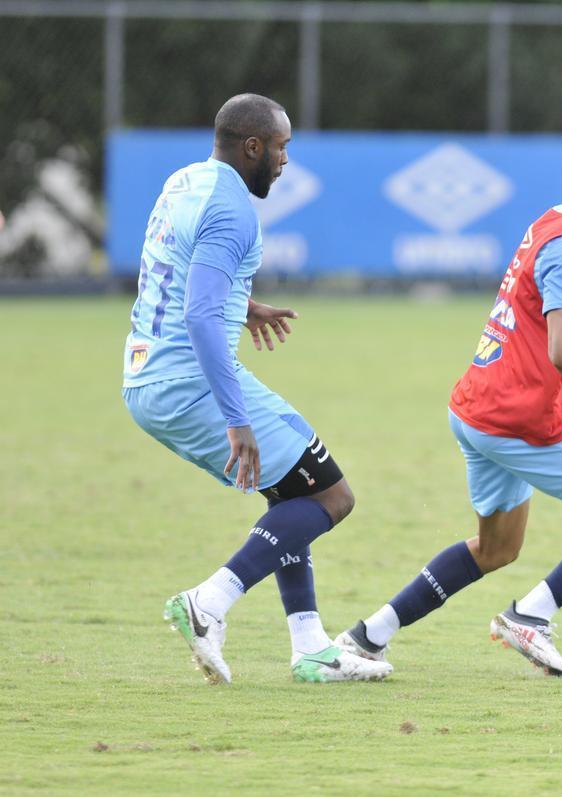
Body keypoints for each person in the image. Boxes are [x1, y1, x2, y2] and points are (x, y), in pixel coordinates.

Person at [335, 125, 562, 678]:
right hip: (519, 419)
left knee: (496, 548)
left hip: (478, 407)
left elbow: (561, 341)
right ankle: (531, 616)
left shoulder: (554, 221)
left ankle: (367, 637)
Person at [122, 93, 392, 685]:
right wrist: (236, 419)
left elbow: (173, 270)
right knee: (332, 497)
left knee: (290, 491)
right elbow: (197, 316)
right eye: (281, 146)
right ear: (253, 147)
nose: (285, 159)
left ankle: (311, 646)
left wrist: (241, 307)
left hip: (145, 376)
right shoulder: (233, 210)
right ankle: (208, 603)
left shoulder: (185, 181)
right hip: (190, 379)